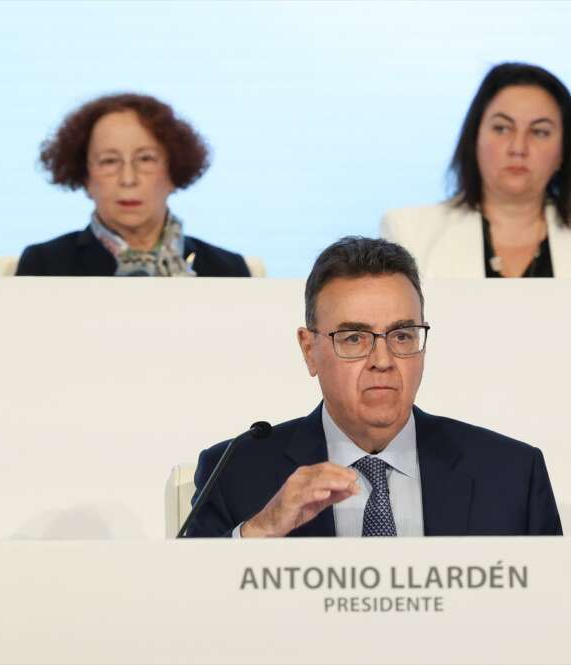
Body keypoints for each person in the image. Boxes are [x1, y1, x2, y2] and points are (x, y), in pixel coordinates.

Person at [187, 236, 562, 538]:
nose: (382, 360)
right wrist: (261, 531)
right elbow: (187, 613)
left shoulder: (510, 474)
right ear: (309, 350)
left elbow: (555, 618)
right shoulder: (234, 472)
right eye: (354, 338)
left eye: (401, 335)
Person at [16, 93, 250, 277]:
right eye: (109, 161)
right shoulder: (43, 266)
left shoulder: (228, 269)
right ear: (85, 177)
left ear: (173, 171)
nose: (128, 179)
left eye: (145, 159)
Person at [382, 63, 571, 278]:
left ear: (564, 150)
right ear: (474, 138)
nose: (518, 148)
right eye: (502, 128)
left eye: (539, 132)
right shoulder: (409, 234)